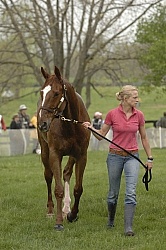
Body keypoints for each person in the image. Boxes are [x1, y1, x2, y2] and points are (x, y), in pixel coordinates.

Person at [83, 85, 153, 236]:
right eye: (135, 97)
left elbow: (144, 137)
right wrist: (90, 128)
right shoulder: (112, 114)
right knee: (112, 194)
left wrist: (150, 158)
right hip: (114, 156)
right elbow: (101, 135)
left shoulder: (139, 115)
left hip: (132, 157)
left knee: (131, 192)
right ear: (125, 98)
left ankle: (128, 227)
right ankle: (111, 220)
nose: (137, 100)